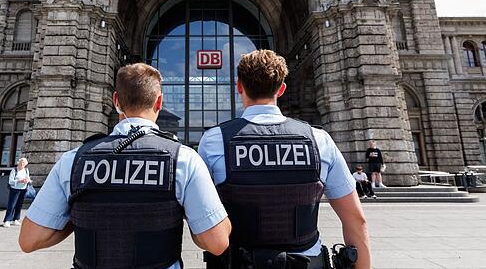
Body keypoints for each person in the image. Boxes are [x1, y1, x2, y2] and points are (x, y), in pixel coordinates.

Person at [19, 63, 231, 268]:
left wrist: (77, 217)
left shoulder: (73, 160)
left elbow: (29, 240)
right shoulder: (183, 159)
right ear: (159, 103)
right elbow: (217, 242)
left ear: (116, 101)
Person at [199, 49, 371, 269]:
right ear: (281, 89)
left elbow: (204, 220)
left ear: (239, 86)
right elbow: (356, 219)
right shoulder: (319, 140)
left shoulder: (214, 141)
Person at [3, 157, 31, 228]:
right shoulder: (14, 170)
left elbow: (28, 179)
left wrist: (28, 180)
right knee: (12, 205)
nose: (22, 164)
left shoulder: (26, 170)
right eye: (21, 162)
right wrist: (19, 181)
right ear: (18, 163)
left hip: (23, 189)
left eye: (23, 163)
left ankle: (16, 219)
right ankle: (7, 220)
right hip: (15, 189)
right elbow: (10, 181)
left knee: (19, 205)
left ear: (26, 164)